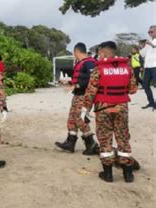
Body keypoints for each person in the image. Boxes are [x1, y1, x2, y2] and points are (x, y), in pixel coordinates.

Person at [82, 41, 137, 183]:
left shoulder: (98, 69)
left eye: (100, 52)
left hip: (103, 108)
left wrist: (85, 110)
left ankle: (108, 174)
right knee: (123, 137)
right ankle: (128, 174)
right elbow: (133, 89)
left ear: (104, 52)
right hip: (122, 108)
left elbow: (90, 92)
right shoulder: (127, 67)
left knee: (105, 139)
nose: (99, 55)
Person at [55, 43, 98, 155]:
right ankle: (70, 143)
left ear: (77, 51)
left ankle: (91, 144)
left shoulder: (89, 63)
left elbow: (90, 80)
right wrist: (68, 82)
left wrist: (76, 86)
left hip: (84, 96)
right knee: (72, 118)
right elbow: (79, 79)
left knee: (80, 119)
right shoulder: (81, 63)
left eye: (74, 53)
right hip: (77, 95)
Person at [140, 25, 156, 110]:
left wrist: (152, 44)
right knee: (145, 85)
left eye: (151, 31)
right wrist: (142, 46)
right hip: (148, 66)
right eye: (149, 32)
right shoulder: (149, 42)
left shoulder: (151, 42)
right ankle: (151, 102)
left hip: (155, 66)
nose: (150, 33)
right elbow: (142, 54)